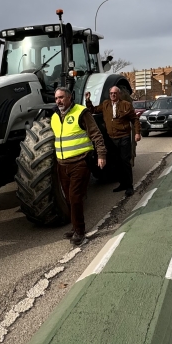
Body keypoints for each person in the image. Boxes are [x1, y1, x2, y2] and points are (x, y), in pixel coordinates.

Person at [52, 87, 107, 246]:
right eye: (56, 98)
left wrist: (101, 155)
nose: (58, 101)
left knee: (75, 198)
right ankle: (75, 226)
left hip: (80, 163)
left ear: (69, 97)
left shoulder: (81, 113)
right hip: (62, 164)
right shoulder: (55, 116)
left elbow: (96, 134)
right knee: (69, 199)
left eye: (61, 97)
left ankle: (80, 231)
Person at [85, 86, 141, 197]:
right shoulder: (105, 104)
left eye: (115, 93)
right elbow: (93, 110)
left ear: (119, 94)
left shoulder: (126, 105)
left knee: (125, 161)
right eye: (111, 93)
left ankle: (129, 186)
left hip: (124, 137)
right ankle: (122, 184)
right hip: (111, 139)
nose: (113, 95)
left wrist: (137, 133)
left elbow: (134, 119)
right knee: (117, 162)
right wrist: (88, 100)